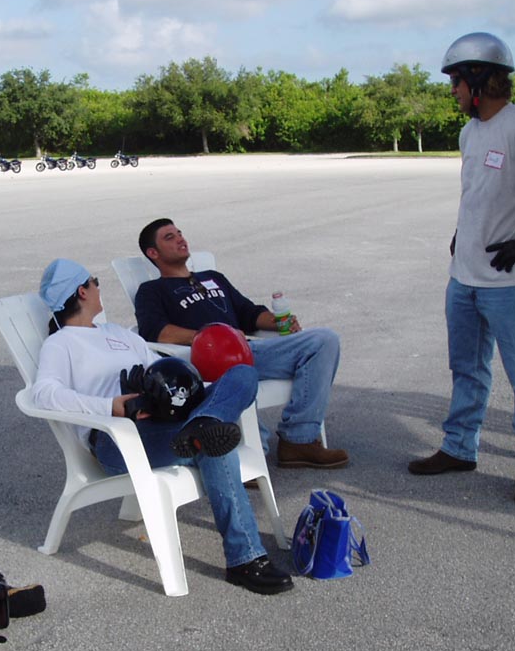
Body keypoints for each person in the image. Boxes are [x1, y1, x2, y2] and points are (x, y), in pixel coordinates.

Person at [32, 258, 292, 595]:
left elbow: (159, 365)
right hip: (121, 437)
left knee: (242, 375)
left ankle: (205, 421)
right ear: (83, 291)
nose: (98, 287)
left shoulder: (117, 333)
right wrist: (112, 406)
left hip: (170, 414)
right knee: (215, 444)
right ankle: (245, 558)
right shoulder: (61, 343)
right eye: (94, 281)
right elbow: (44, 393)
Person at [408, 32, 515, 505]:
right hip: (463, 278)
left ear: (479, 80)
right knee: (466, 369)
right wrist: (462, 231)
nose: (452, 90)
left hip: (509, 283)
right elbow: (479, 192)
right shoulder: (470, 133)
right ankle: (459, 447)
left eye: (456, 81)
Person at [134, 219, 349, 469]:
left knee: (324, 340)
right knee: (229, 361)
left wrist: (278, 322)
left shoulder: (213, 278)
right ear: (153, 253)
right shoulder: (152, 290)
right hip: (207, 360)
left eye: (180, 233)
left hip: (248, 349)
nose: (180, 239)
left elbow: (248, 313)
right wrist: (209, 339)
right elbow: (156, 331)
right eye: (169, 237)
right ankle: (249, 456)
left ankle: (299, 439)